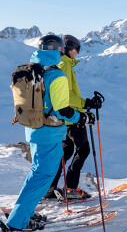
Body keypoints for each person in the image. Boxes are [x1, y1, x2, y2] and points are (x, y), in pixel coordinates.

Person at [0, 35, 90, 232]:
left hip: (34, 129)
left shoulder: (36, 69)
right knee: (43, 175)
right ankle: (18, 221)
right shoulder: (56, 75)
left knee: (37, 174)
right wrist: (80, 118)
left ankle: (24, 212)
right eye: (62, 50)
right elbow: (62, 109)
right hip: (50, 133)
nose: (63, 53)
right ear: (57, 51)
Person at [43, 34, 102, 200]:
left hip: (64, 119)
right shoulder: (65, 65)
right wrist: (85, 103)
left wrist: (85, 103)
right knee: (83, 150)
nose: (78, 52)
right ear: (70, 48)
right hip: (71, 117)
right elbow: (66, 96)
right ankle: (70, 188)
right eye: (77, 49)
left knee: (65, 152)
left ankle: (51, 188)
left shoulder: (61, 64)